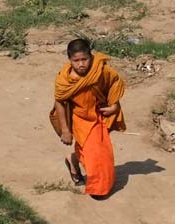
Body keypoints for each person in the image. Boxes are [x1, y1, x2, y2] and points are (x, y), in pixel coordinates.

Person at [52, 38, 126, 198]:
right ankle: (98, 189)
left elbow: (114, 83)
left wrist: (114, 106)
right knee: (96, 155)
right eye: (76, 60)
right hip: (79, 118)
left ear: (91, 56)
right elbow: (59, 102)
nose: (81, 64)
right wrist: (65, 130)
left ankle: (73, 160)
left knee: (101, 151)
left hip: (99, 115)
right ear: (69, 59)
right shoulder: (64, 80)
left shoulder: (99, 70)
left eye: (84, 59)